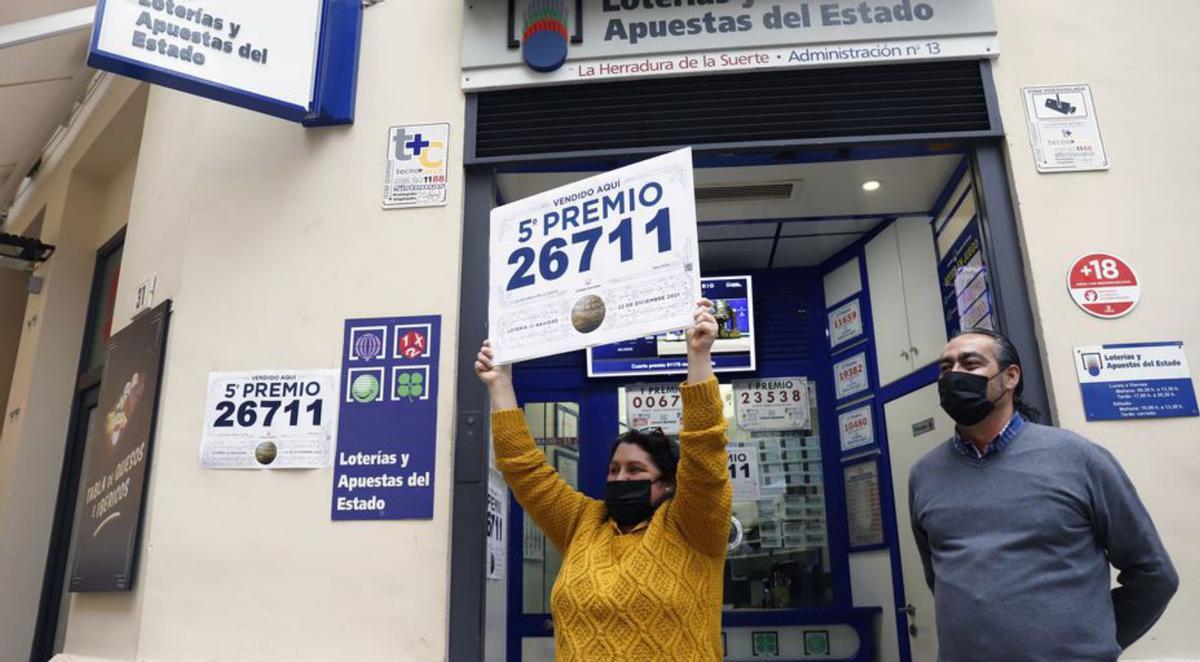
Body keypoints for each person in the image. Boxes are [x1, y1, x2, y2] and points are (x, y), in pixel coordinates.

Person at [475, 299, 732, 660]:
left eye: (635, 470)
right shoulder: (583, 523)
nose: (621, 477)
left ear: (668, 483)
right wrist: (500, 384)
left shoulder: (694, 527)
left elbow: (705, 451)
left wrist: (699, 356)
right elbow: (525, 470)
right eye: (614, 469)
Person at [909, 328, 1178, 662]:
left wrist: (1096, 642)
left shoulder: (1078, 458)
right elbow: (940, 578)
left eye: (970, 363)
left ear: (1010, 377)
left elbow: (1154, 575)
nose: (954, 375)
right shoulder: (924, 474)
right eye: (945, 367)